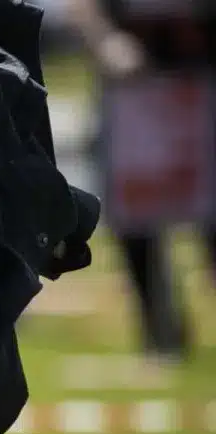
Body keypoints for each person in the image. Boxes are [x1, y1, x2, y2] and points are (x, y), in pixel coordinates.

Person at [70, 0, 216, 366]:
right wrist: (105, 40)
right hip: (132, 93)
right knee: (135, 213)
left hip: (201, 86)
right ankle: (161, 333)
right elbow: (84, 8)